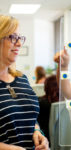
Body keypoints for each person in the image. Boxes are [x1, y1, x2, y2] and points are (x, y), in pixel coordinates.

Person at [0, 15, 49, 150]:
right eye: (12, 37)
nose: (19, 43)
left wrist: (38, 132)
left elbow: (30, 117)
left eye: (20, 38)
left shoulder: (21, 78)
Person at [37, 75, 61, 144]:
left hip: (45, 141)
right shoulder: (66, 104)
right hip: (63, 139)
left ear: (46, 87)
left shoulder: (40, 103)